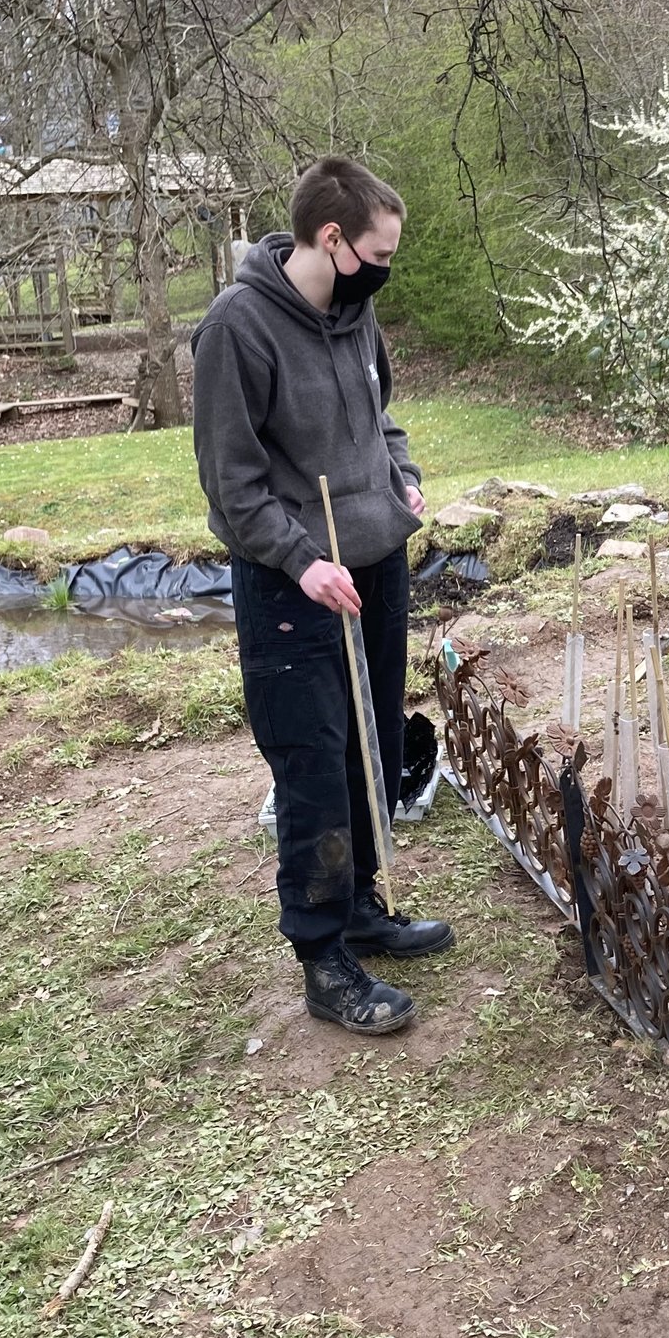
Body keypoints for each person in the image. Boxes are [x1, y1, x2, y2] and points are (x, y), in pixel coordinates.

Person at [193, 157, 455, 1035]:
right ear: (333, 240)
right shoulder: (239, 328)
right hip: (292, 584)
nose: (388, 266)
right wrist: (301, 559)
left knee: (373, 748)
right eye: (380, 250)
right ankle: (322, 957)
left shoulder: (356, 309)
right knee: (312, 764)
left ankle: (361, 908)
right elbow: (231, 484)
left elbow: (382, 417)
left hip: (374, 563)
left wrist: (403, 477)